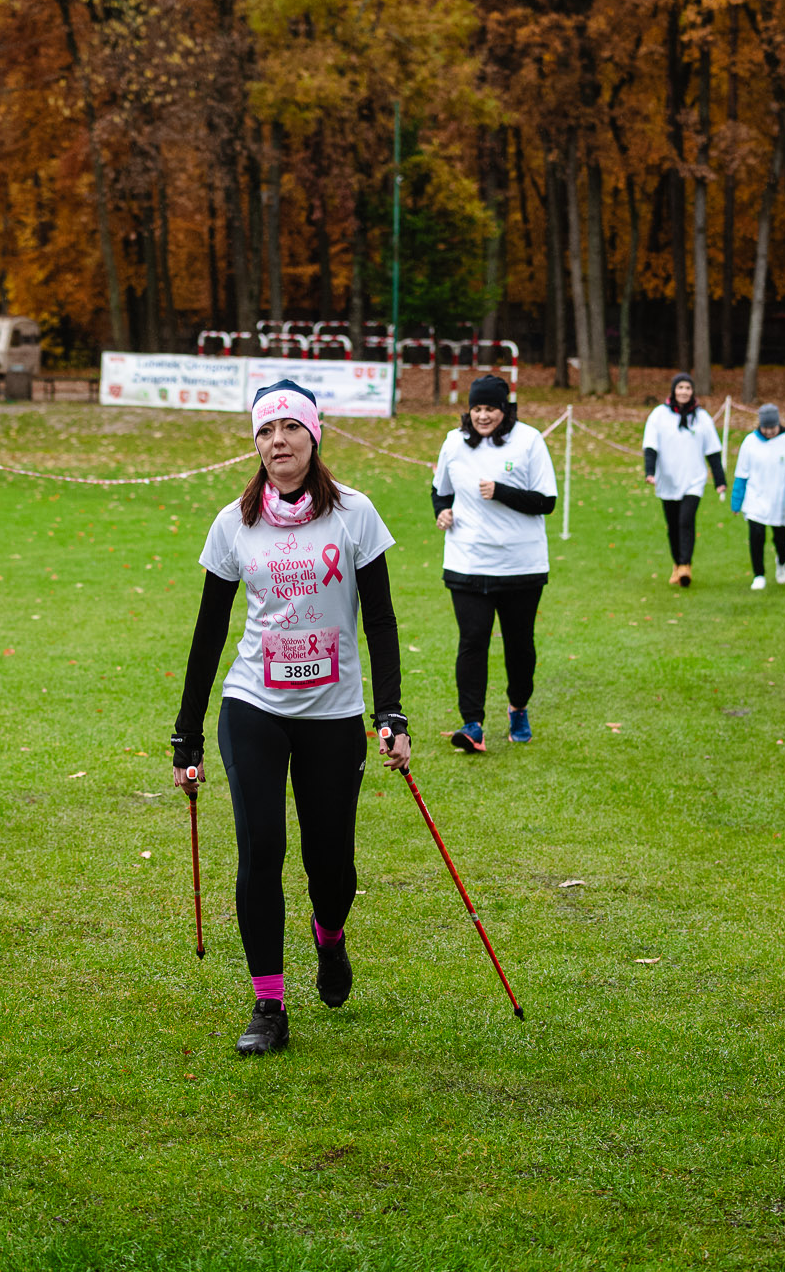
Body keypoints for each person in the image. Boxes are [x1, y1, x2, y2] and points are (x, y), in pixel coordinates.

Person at [170, 379, 409, 1057]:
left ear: (314, 436)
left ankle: (329, 936)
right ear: (256, 444)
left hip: (334, 713)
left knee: (330, 863)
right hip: (255, 706)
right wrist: (187, 734)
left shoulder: (355, 514)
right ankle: (269, 1004)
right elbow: (209, 631)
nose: (278, 441)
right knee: (261, 849)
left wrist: (391, 711)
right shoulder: (234, 523)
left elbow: (381, 619)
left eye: (291, 429)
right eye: (266, 431)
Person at [431, 374, 558, 752]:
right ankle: (472, 724)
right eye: (477, 408)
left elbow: (546, 501)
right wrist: (442, 512)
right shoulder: (454, 442)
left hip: (521, 564)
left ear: (505, 410)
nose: (483, 416)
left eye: (491, 408)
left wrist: (501, 492)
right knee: (472, 641)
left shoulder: (529, 440)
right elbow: (440, 490)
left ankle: (518, 707)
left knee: (519, 645)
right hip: (468, 560)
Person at [641, 372, 727, 587]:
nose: (684, 392)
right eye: (680, 388)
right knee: (673, 525)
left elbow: (713, 451)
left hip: (694, 480)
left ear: (692, 391)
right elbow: (650, 446)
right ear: (673, 390)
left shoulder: (702, 418)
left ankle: (685, 565)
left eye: (687, 388)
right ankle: (677, 564)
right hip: (667, 480)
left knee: (686, 521)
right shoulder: (659, 415)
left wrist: (720, 481)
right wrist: (650, 472)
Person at [730, 403, 785, 590]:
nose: (769, 432)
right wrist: (736, 502)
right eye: (765, 428)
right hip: (756, 498)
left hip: (782, 499)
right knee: (756, 536)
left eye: (772, 427)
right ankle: (759, 575)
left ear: (778, 424)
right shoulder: (750, 442)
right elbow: (741, 474)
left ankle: (781, 562)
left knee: (783, 540)